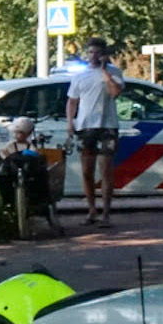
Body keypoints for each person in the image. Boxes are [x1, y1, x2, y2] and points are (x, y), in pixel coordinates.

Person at [65, 36, 123, 227]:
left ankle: (106, 213)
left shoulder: (114, 72)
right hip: (85, 127)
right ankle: (91, 210)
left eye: (98, 53)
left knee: (106, 171)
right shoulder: (80, 76)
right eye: (90, 52)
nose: (93, 56)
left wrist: (105, 71)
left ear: (104, 54)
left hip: (107, 126)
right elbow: (72, 100)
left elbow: (115, 92)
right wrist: (70, 122)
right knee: (87, 171)